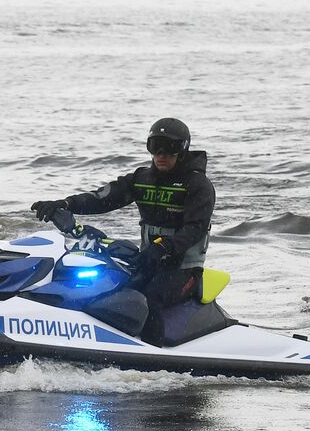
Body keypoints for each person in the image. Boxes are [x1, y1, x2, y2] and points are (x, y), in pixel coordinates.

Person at [31, 117, 215, 315]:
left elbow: (195, 228)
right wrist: (66, 204)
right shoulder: (141, 179)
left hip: (183, 269)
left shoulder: (198, 186)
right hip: (149, 260)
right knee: (111, 292)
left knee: (147, 302)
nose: (161, 155)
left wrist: (164, 247)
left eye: (168, 148)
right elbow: (102, 198)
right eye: (155, 147)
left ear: (183, 149)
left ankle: (154, 345)